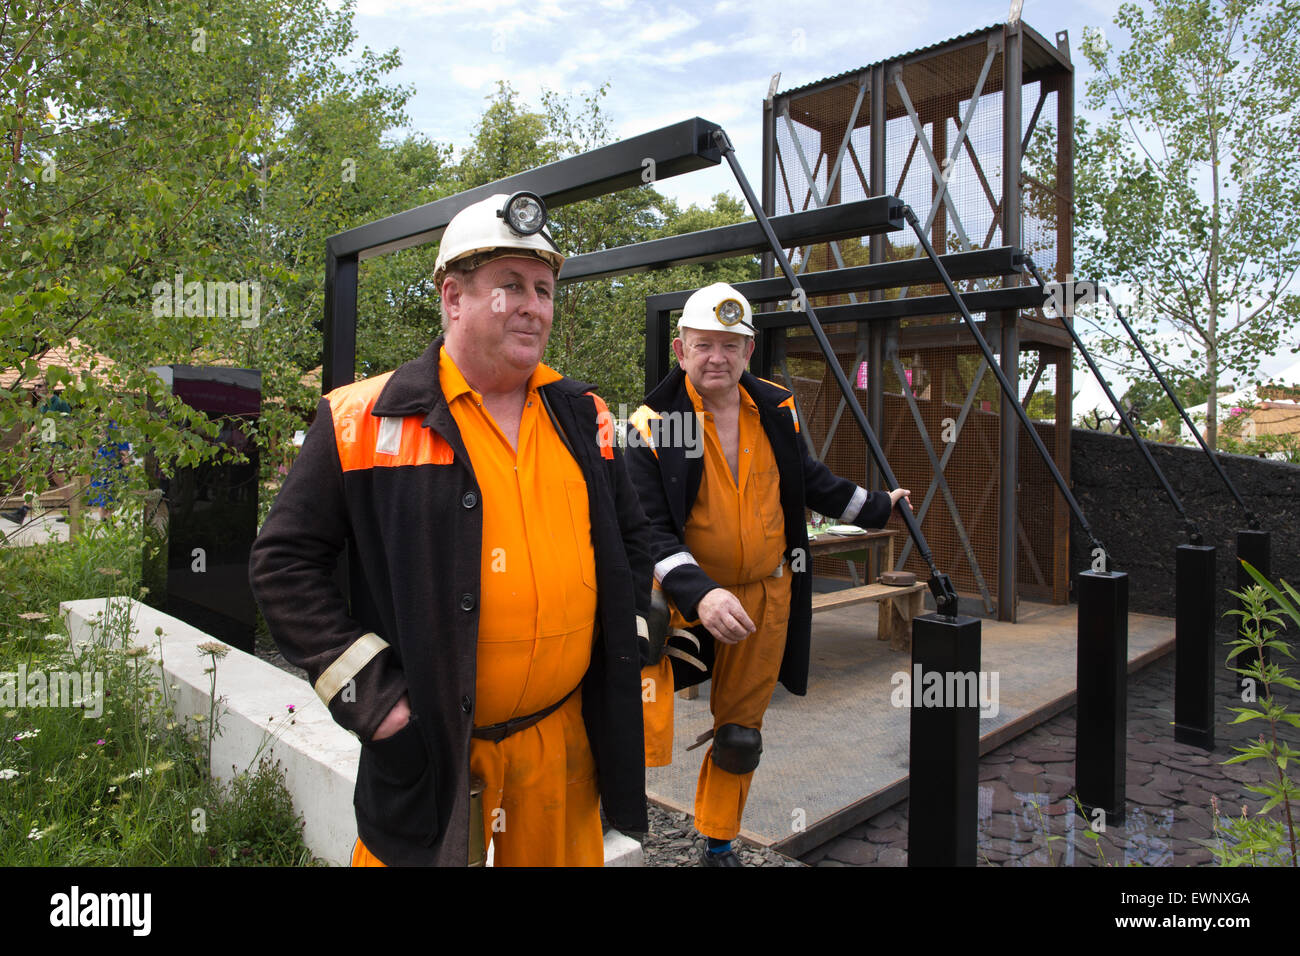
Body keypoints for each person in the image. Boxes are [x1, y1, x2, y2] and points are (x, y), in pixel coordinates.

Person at [249, 192, 654, 867]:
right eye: (510, 286)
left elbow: (630, 540)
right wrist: (377, 704)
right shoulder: (363, 419)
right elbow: (283, 565)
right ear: (453, 296)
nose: (532, 305)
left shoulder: (584, 415)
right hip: (433, 754)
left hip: (561, 750)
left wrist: (631, 638)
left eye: (544, 289)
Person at [625, 282, 910, 867]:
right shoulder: (655, 424)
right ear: (681, 350)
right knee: (632, 711)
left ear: (748, 351)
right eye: (703, 345)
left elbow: (808, 479)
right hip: (683, 595)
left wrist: (878, 507)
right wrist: (699, 593)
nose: (716, 358)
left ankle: (719, 841)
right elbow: (647, 529)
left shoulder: (775, 408)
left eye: (730, 346)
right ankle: (623, 823)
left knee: (740, 733)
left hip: (764, 593)